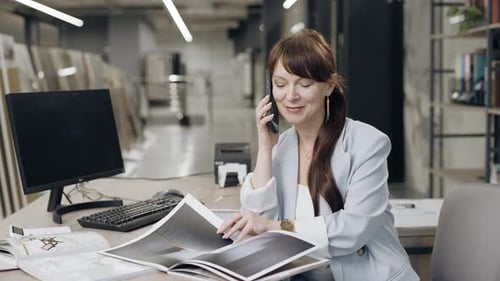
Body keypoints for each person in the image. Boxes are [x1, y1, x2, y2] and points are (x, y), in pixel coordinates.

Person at [217, 29, 419, 281]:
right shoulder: (282, 148)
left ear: (329, 86)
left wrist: (276, 228)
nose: (290, 95)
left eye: (304, 84)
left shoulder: (367, 144)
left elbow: (352, 229)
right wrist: (266, 148)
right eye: (280, 84)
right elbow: (259, 224)